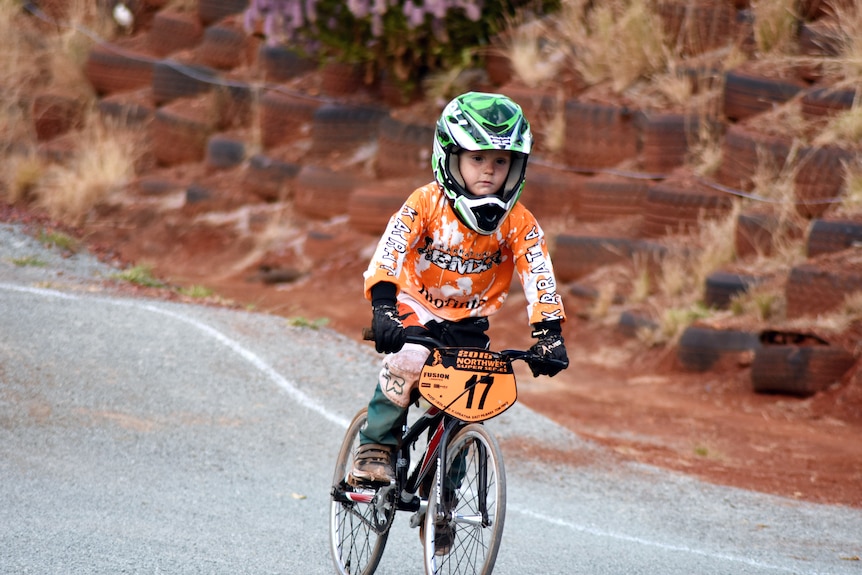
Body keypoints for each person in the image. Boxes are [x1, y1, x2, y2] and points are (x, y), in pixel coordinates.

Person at [351, 91, 569, 488]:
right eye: (477, 159)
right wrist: (383, 307)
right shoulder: (425, 203)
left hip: (468, 319)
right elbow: (390, 250)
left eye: (501, 161)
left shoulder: (518, 222)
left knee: (470, 401)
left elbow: (539, 273)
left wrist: (549, 333)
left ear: (516, 166)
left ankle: (445, 501)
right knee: (411, 357)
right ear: (450, 158)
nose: (488, 171)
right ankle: (376, 446)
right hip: (412, 303)